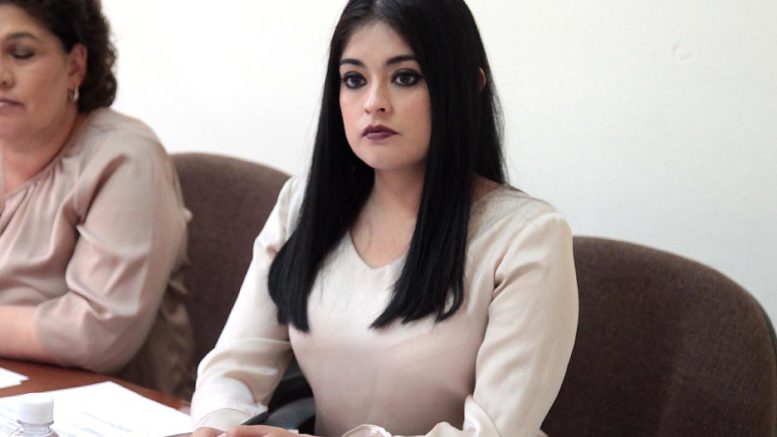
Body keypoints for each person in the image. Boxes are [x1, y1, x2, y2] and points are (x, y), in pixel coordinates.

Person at [191, 0, 578, 435]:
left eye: (405, 77)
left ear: (469, 87)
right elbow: (234, 369)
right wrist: (218, 427)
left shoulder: (527, 238)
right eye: (354, 79)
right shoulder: (303, 204)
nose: (374, 103)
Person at [0, 0, 192, 397]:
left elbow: (97, 333)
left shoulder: (125, 158)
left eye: (20, 54)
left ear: (75, 65)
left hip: (110, 408)